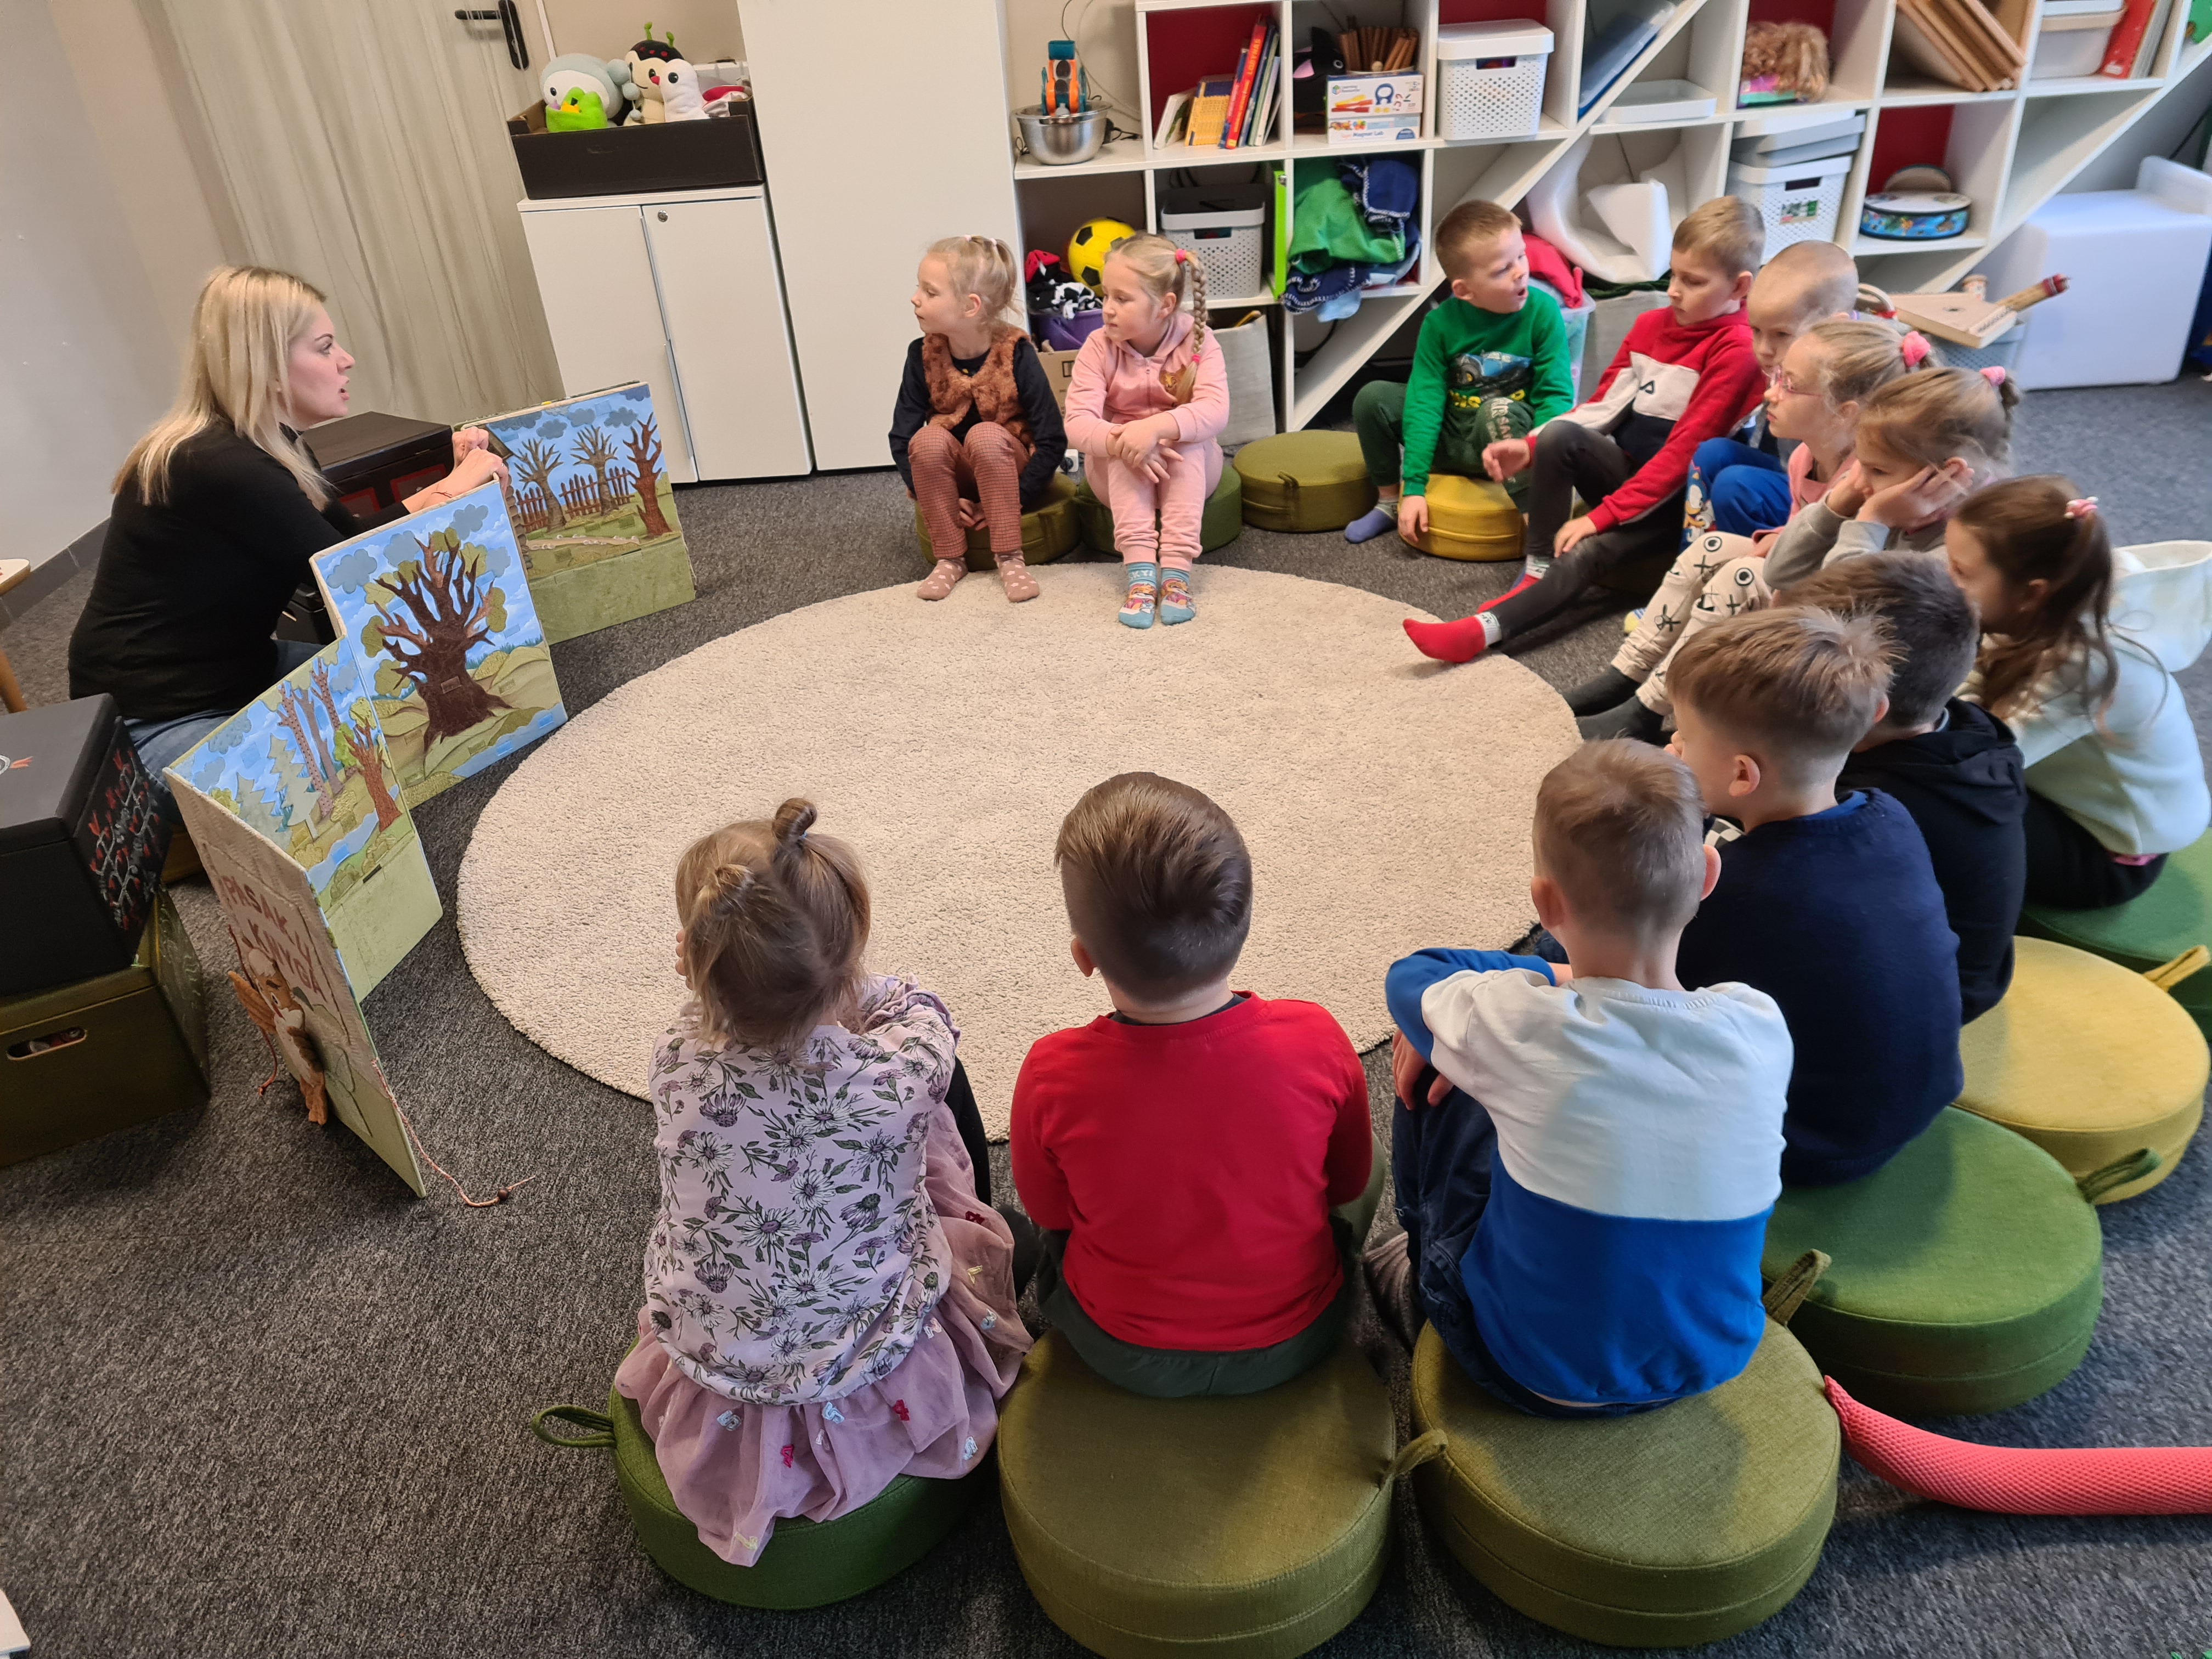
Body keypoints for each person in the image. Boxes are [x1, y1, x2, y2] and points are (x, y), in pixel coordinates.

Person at [617, 799, 1030, 1567]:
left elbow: (720, 1014)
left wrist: (722, 977)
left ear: (701, 968)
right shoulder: (894, 1076)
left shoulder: (674, 1058)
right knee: (944, 1113)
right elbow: (926, 1014)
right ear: (845, 963)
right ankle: (986, 1225)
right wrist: (850, 986)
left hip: (717, 1360)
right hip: (859, 1362)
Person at [1364, 742, 1791, 1417]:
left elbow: (1413, 976)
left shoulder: (1521, 1023)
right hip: (1708, 1361)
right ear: (1708, 874)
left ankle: (1418, 1280)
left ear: (1545, 903)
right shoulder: (1760, 1024)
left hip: (1529, 1368)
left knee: (1440, 1066)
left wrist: (1543, 977)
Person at [68, 266, 508, 820]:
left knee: (419, 702)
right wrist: (454, 488)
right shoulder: (219, 464)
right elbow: (348, 575)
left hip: (242, 670)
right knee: (341, 795)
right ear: (267, 365)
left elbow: (346, 539)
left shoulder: (274, 444)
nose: (346, 360)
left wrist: (450, 482)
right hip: (155, 719)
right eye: (325, 348)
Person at [1010, 772, 1378, 1397]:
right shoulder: (1317, 1038)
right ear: (1244, 924)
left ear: (1083, 957)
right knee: (1369, 1162)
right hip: (1301, 1335)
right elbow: (1345, 1184)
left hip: (1120, 1349)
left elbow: (1052, 1216)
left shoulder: (1050, 1073)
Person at [1401, 197, 1767, 664]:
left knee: (1585, 552)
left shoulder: (1737, 349)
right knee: (1559, 436)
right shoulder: (1652, 324)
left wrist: (1600, 517)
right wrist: (1530, 446)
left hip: (1681, 506)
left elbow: (1683, 455)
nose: (1674, 292)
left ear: (1740, 286)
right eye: (1673, 275)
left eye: (1692, 282)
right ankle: (1537, 568)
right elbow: (1601, 407)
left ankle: (1481, 631)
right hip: (1633, 479)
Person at [1668, 608, 1963, 1186]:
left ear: (1743, 777)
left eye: (1685, 736)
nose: (1673, 745)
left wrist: (1674, 813)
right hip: (1913, 1103)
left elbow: (1642, 981)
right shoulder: (1889, 814)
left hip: (1811, 1143)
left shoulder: (1740, 889)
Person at [1572, 321, 1932, 741]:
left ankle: (1648, 708)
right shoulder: (1803, 459)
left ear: (1845, 412)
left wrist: (1780, 558)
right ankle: (1625, 674)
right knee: (1712, 546)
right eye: (1777, 378)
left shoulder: (1868, 478)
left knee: (1740, 576)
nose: (1770, 393)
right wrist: (1776, 538)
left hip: (1843, 614)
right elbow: (1800, 535)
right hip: (1803, 575)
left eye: (1790, 385)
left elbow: (1844, 582)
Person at [1950, 479, 2211, 911]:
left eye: (1961, 573)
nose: (1947, 581)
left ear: (2032, 593)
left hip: (2106, 857)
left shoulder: (2083, 663)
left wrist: (1943, 674)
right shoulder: (2056, 601)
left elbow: (1981, 759)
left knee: (1940, 797)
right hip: (2067, 796)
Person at [1787, 553, 2026, 1023]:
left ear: (1863, 704)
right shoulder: (1966, 725)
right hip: (1966, 969)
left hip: (1918, 1002)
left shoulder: (1864, 806)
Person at [1344, 199, 1574, 539]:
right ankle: (1389, 502)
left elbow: (1555, 397)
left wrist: (1540, 463)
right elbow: (1425, 401)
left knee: (1496, 411)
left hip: (1508, 443)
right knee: (1372, 397)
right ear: (1465, 291)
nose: (1521, 272)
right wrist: (1414, 487)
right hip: (1452, 441)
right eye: (1502, 269)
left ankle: (1537, 523)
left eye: (1522, 256)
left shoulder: (1544, 312)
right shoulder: (1439, 325)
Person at [1062, 235, 1229, 628]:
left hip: (1189, 468)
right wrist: (1128, 441)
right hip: (1117, 474)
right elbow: (1076, 423)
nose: (1107, 309)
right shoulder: (1097, 347)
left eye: (1122, 299)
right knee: (1124, 449)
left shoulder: (1199, 340)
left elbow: (1216, 411)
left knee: (1188, 442)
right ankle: (1140, 576)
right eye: (1106, 296)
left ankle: (1176, 575)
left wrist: (1155, 429)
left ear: (1165, 306)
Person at [890, 235, 1069, 603]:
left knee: (985, 435)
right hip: (954, 476)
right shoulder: (921, 355)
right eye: (919, 288)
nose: (915, 298)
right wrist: (931, 496)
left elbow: (1052, 439)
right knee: (926, 440)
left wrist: (1016, 497)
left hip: (1009, 470)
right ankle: (950, 559)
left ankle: (1010, 557)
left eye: (930, 292)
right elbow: (902, 437)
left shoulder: (1017, 353)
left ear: (970, 306)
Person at [1758, 365, 2018, 591]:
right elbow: (1779, 574)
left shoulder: (1958, 553)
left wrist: (1874, 520)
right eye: (1860, 463)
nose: (1859, 482)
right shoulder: (1869, 486)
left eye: (1878, 471)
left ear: (1949, 474)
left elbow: (1840, 604)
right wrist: (1835, 507)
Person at [1680, 239, 1860, 541]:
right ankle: (1700, 556)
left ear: (1836, 328)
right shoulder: (1785, 357)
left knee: (1737, 486)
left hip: (1830, 499)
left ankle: (1753, 563)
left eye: (1781, 334)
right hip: (1790, 470)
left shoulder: (1860, 376)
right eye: (1756, 331)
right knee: (1713, 453)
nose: (1763, 349)